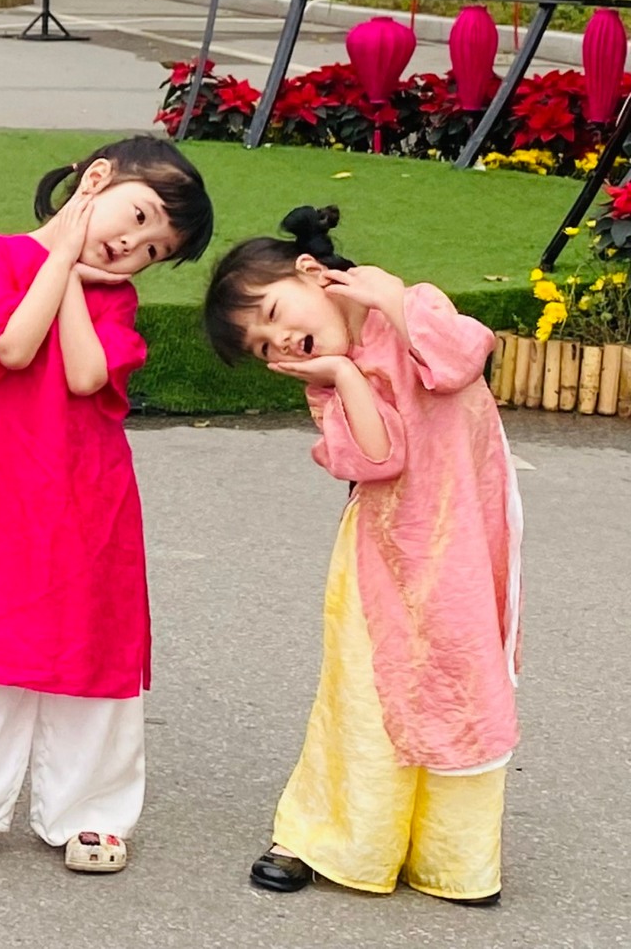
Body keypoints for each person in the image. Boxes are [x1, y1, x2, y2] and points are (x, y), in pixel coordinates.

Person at [0, 136, 214, 880]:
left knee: (94, 641)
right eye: (138, 217)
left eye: (154, 250)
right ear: (95, 179)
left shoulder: (115, 297)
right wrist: (61, 259)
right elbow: (11, 349)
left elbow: (84, 375)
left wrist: (71, 274)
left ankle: (92, 809)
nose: (133, 246)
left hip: (88, 489)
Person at [203, 207, 519, 906]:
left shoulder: (415, 306)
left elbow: (461, 359)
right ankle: (332, 839)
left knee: (463, 682)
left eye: (274, 315)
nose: (280, 343)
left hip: (464, 538)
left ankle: (455, 859)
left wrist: (391, 299)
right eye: (263, 348)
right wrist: (343, 374)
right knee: (368, 694)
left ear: (311, 273)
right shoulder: (326, 385)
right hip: (383, 552)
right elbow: (379, 459)